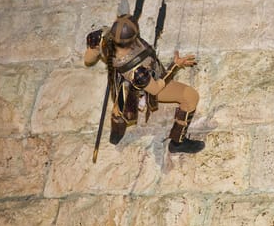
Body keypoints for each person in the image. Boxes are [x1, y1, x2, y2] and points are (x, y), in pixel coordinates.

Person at [84, 13, 205, 154]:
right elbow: (155, 89)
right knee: (191, 97)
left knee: (119, 110)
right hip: (144, 85)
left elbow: (88, 59)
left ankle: (116, 133)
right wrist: (175, 65)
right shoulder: (137, 71)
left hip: (122, 83)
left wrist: (97, 49)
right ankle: (178, 143)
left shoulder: (101, 37)